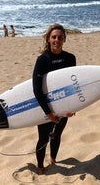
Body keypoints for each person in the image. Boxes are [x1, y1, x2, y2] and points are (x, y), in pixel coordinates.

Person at [32, 23, 76, 175]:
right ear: (48, 39)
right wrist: (49, 113)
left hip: (63, 106)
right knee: (43, 138)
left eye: (60, 37)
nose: (57, 40)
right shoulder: (42, 60)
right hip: (45, 107)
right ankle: (39, 165)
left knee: (57, 134)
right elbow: (37, 90)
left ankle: (53, 159)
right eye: (54, 37)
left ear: (64, 39)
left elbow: (72, 87)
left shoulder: (70, 58)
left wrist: (72, 108)